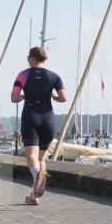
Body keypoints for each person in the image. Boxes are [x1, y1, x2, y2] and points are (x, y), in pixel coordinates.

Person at [11, 46, 67, 206]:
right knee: (41, 158)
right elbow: (63, 98)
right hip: (48, 119)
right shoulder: (55, 76)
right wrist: (52, 96)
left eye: (28, 58)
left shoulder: (22, 75)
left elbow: (14, 98)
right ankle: (34, 196)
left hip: (31, 116)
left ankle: (37, 175)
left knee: (31, 157)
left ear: (32, 59)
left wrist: (23, 96)